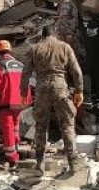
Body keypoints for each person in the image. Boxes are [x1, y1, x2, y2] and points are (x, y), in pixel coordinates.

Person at [20, 26, 84, 173]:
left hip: (42, 88)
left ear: (42, 35)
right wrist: (79, 90)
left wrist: (23, 91)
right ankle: (73, 162)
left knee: (41, 126)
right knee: (67, 125)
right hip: (61, 87)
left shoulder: (35, 48)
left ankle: (40, 163)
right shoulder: (65, 47)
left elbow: (25, 72)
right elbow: (76, 71)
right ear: (55, 34)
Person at [0, 40, 31, 167]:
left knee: (8, 130)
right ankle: (15, 149)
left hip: (4, 102)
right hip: (19, 102)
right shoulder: (20, 65)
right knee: (15, 128)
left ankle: (12, 157)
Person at [54, 0, 93, 66]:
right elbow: (63, 18)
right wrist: (68, 34)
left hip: (73, 34)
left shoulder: (76, 2)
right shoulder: (68, 3)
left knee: (76, 54)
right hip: (65, 35)